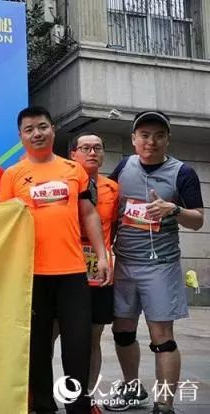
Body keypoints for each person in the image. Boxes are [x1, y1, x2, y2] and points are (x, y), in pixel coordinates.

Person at [0, 106, 110, 414]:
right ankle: (44, 407)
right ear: (21, 136)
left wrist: (102, 255)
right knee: (37, 348)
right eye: (29, 129)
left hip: (73, 272)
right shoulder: (12, 175)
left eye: (42, 127)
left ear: (53, 129)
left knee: (78, 346)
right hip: (31, 274)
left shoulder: (74, 170)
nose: (37, 133)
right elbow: (3, 224)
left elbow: (88, 214)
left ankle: (78, 407)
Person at [105, 111, 204, 414]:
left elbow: (198, 220)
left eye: (159, 135)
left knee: (162, 339)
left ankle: (164, 404)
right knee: (122, 332)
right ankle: (132, 389)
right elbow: (108, 206)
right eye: (145, 135)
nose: (151, 142)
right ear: (134, 139)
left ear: (167, 140)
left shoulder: (182, 172)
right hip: (124, 263)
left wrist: (174, 209)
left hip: (160, 265)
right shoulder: (124, 167)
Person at [67, 132, 119, 405]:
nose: (91, 153)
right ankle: (40, 397)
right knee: (51, 334)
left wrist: (106, 257)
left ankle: (87, 397)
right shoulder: (63, 185)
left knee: (93, 338)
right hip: (65, 271)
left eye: (97, 148)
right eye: (85, 148)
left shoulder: (113, 188)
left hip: (98, 274)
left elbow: (115, 228)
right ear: (73, 154)